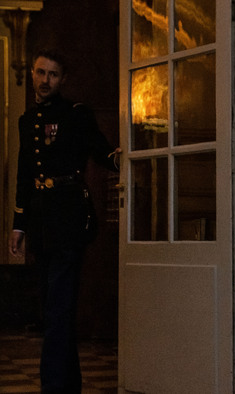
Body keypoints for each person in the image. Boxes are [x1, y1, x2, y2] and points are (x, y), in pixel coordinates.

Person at [8, 48, 120, 394]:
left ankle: (53, 387)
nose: (45, 81)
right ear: (32, 74)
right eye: (40, 73)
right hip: (41, 224)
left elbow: (102, 152)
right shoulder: (27, 121)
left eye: (52, 75)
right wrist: (19, 223)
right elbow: (26, 174)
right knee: (54, 310)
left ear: (63, 79)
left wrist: (129, 157)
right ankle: (68, 384)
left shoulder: (76, 115)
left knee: (57, 310)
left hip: (69, 221)